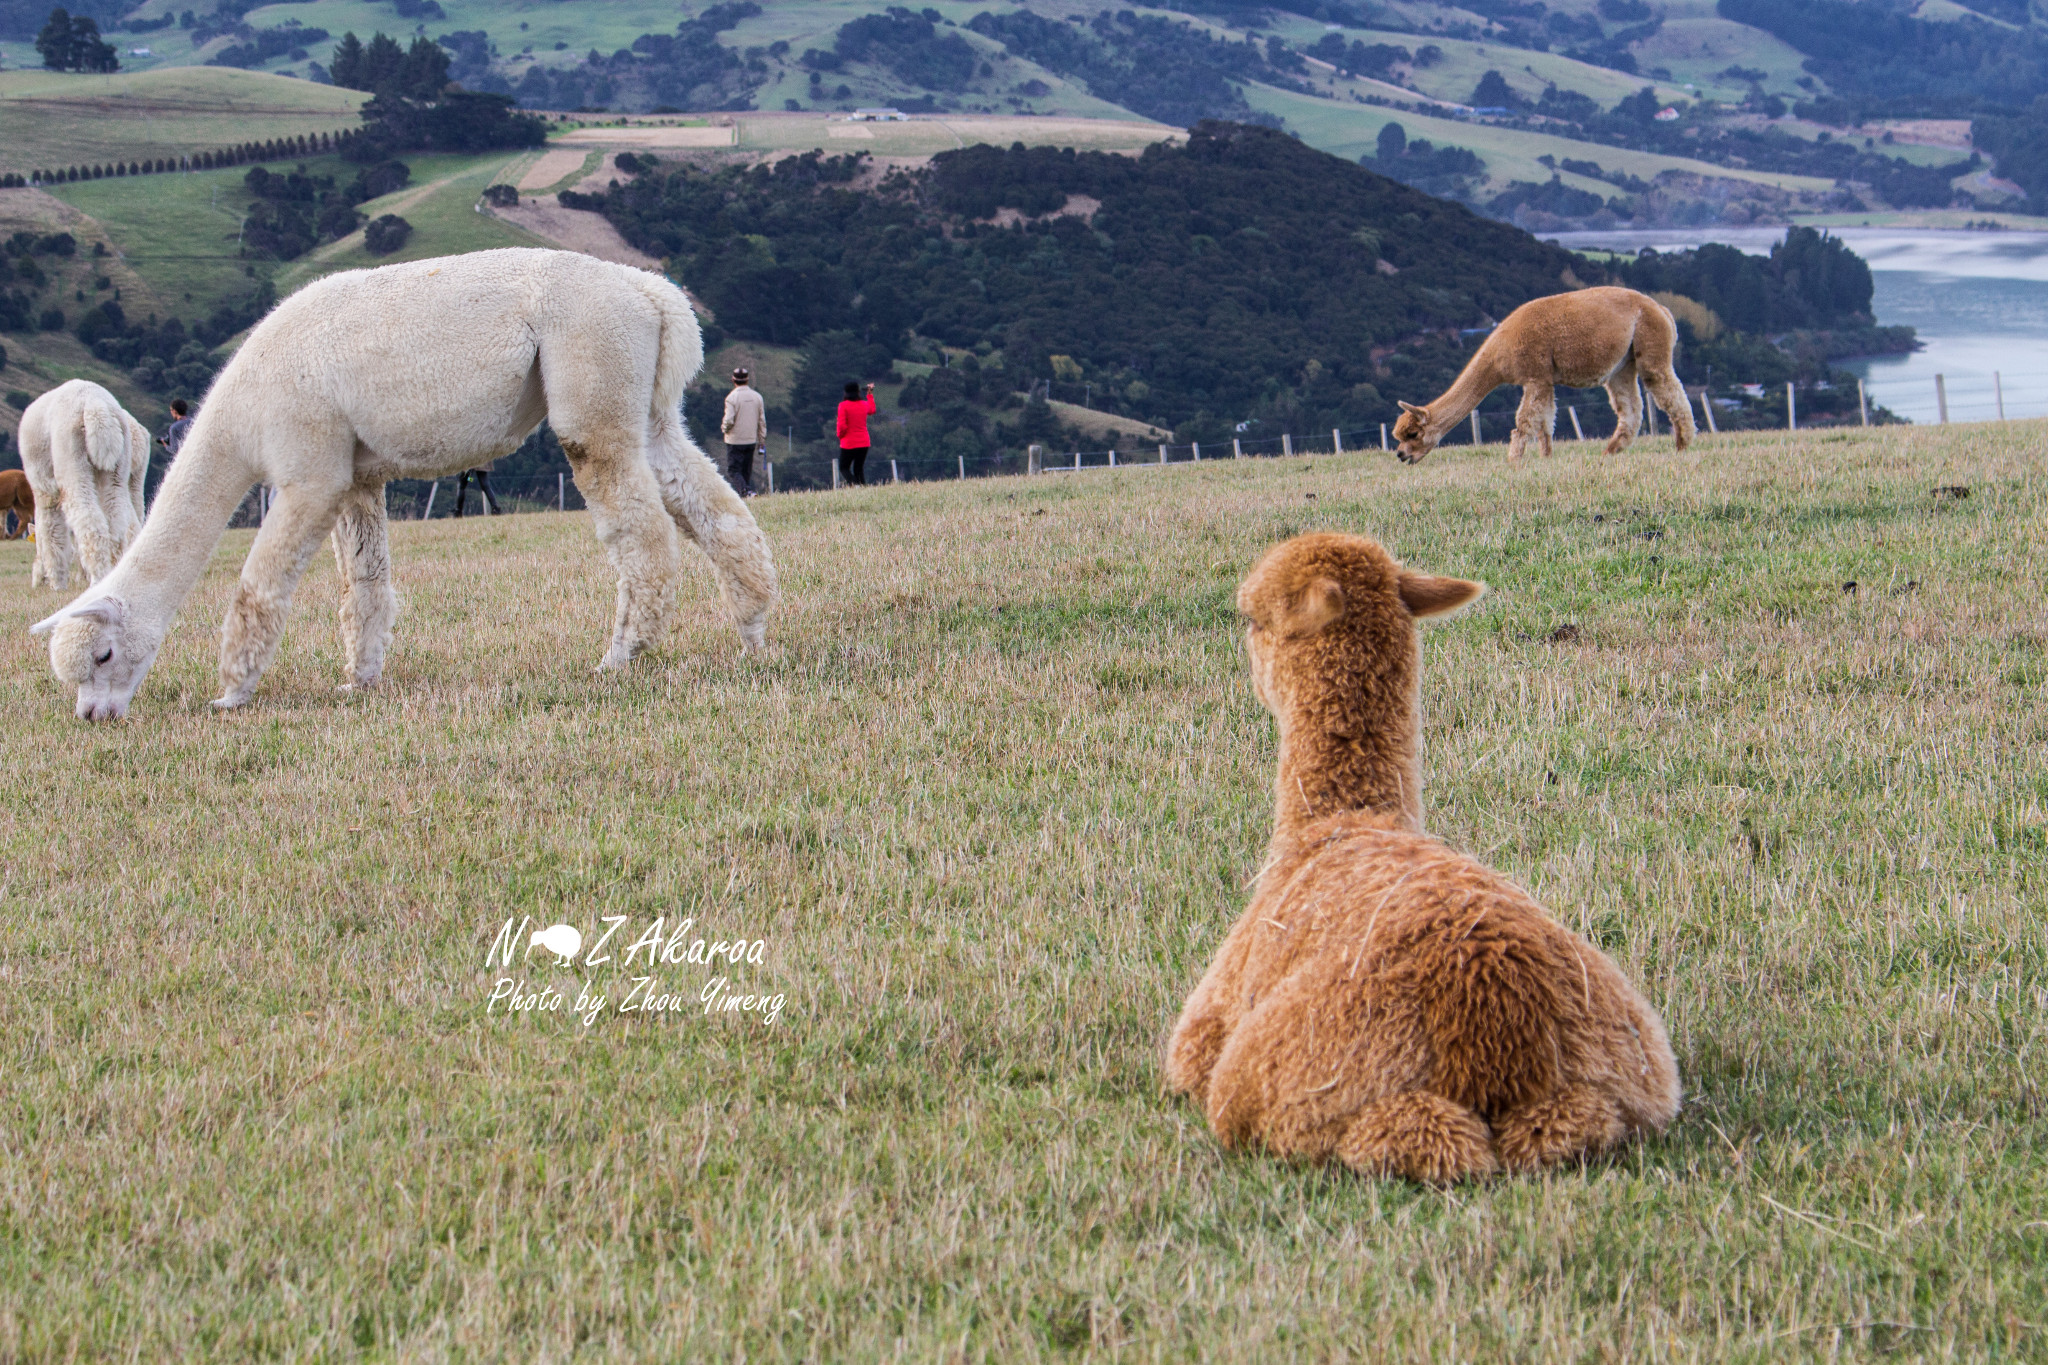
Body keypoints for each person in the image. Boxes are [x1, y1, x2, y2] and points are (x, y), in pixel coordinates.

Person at [720, 366, 767, 497]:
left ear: (733, 380)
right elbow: (762, 421)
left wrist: (724, 429)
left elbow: (729, 420)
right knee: (746, 470)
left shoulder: (731, 398)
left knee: (734, 470)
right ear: (747, 380)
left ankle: (746, 492)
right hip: (751, 439)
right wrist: (762, 439)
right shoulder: (757, 397)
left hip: (735, 440)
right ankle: (747, 493)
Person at [836, 380, 876, 487]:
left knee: (844, 467)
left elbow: (842, 426)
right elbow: (872, 409)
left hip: (849, 442)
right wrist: (870, 394)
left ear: (845, 392)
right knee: (858, 468)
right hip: (864, 442)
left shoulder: (843, 406)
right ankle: (863, 488)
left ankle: (854, 485)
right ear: (858, 392)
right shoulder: (863, 404)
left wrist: (840, 436)